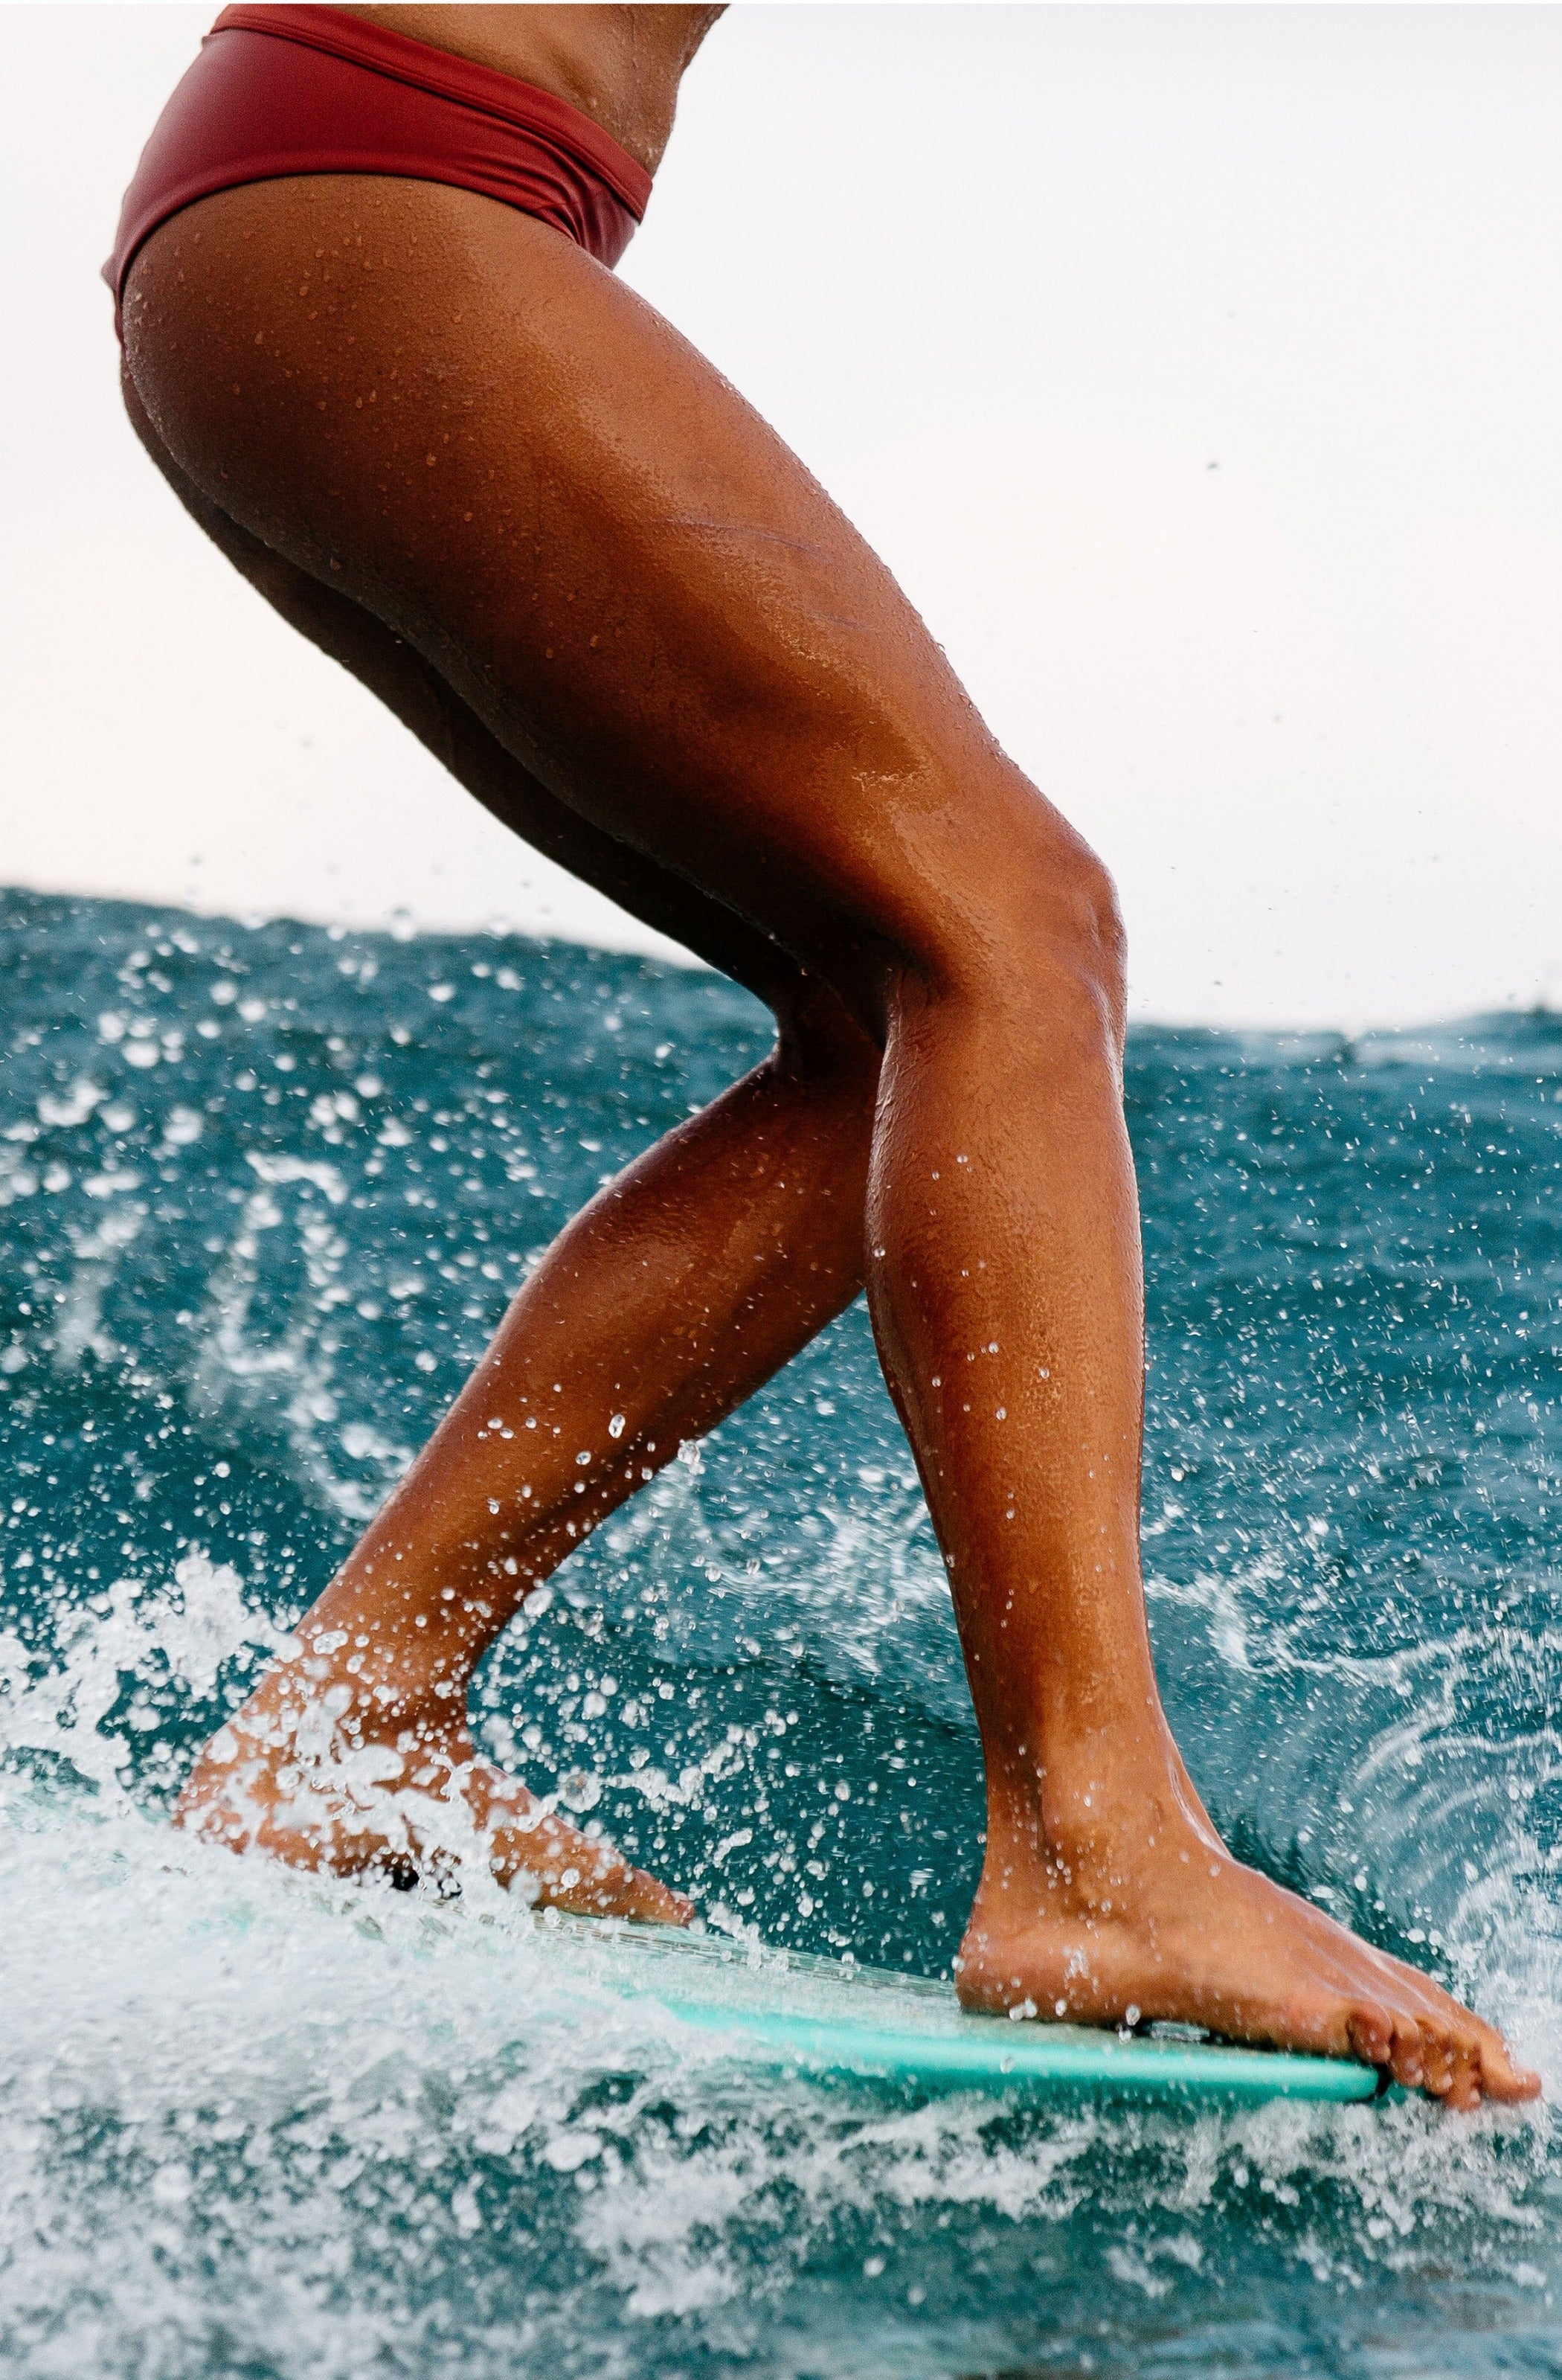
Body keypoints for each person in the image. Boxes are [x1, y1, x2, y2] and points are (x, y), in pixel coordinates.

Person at [108, 1, 1537, 2109]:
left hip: (340, 211)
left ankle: (358, 1716)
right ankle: (1091, 1845)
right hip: (390, 187)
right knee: (1013, 929)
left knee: (893, 1010)